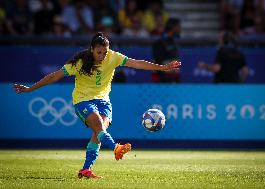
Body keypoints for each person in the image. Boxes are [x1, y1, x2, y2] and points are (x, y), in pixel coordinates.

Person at [13, 32, 181, 179]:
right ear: (92, 49)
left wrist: (162, 68)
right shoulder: (79, 63)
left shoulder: (113, 57)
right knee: (99, 127)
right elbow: (53, 76)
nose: (102, 55)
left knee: (99, 133)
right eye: (99, 52)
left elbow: (137, 63)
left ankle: (86, 169)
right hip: (83, 100)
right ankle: (116, 147)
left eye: (105, 52)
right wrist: (31, 89)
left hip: (104, 101)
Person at [152, 17, 181, 83]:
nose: (180, 28)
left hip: (173, 78)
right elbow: (156, 62)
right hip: (163, 80)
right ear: (173, 27)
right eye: (178, 26)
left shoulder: (173, 41)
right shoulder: (160, 42)